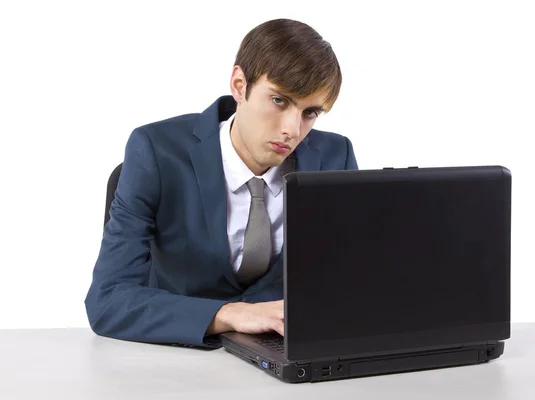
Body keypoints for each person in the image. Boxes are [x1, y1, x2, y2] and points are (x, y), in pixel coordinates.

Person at [84, 18, 358, 348]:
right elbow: (108, 300)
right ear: (240, 85)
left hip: (285, 351)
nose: (293, 129)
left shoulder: (334, 156)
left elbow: (348, 279)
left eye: (310, 112)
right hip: (175, 357)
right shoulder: (156, 152)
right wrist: (228, 315)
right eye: (279, 101)